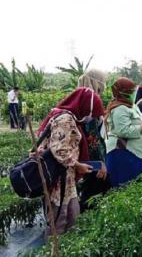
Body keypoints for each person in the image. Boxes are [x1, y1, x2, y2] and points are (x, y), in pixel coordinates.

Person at [36, 87, 103, 235]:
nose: (89, 118)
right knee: (59, 220)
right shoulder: (65, 119)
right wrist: (78, 165)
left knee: (71, 214)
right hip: (58, 178)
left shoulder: (69, 117)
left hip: (66, 176)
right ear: (84, 106)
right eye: (90, 114)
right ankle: (54, 250)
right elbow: (59, 149)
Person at [105, 77, 142, 187]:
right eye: (132, 91)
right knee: (125, 188)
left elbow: (137, 123)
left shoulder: (131, 106)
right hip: (125, 154)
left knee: (136, 188)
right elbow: (123, 131)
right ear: (123, 92)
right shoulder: (120, 108)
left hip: (135, 153)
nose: (134, 93)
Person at [76, 69, 111, 211]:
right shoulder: (91, 101)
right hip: (90, 159)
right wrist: (99, 164)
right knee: (93, 196)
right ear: (98, 83)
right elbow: (93, 138)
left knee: (84, 191)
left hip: (78, 156)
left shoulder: (78, 96)